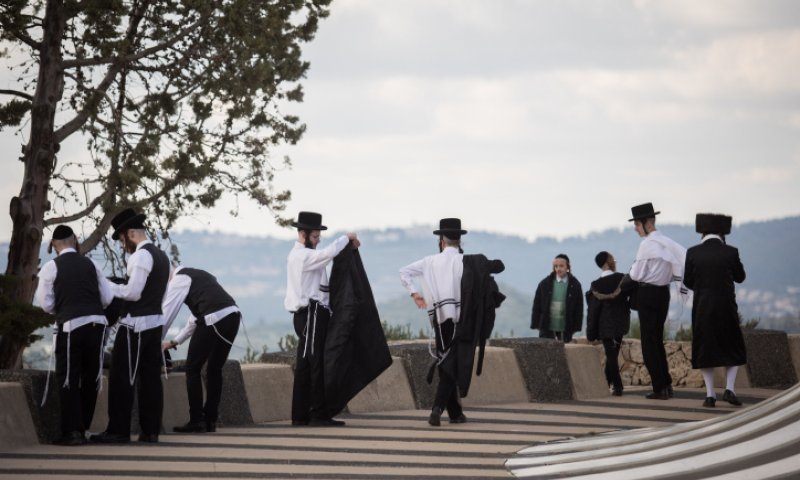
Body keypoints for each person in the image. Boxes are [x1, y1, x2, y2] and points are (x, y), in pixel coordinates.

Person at [400, 218, 505, 427]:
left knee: (445, 363)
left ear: (441, 240)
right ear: (460, 241)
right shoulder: (467, 261)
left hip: (439, 320)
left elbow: (404, 272)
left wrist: (415, 294)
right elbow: (497, 267)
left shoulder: (429, 261)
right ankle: (438, 409)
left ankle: (455, 413)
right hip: (462, 320)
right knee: (453, 365)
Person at [90, 208, 170, 443]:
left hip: (135, 325)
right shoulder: (161, 256)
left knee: (121, 378)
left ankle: (118, 430)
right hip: (155, 323)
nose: (122, 244)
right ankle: (150, 430)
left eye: (122, 238)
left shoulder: (140, 256)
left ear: (131, 233)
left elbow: (133, 293)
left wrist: (106, 285)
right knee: (150, 380)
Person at [34, 225, 114, 445]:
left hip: (71, 325)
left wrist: (65, 305)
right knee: (91, 377)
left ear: (54, 245)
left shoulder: (51, 267)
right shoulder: (92, 264)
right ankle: (84, 427)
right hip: (98, 324)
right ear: (75, 240)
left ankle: (72, 432)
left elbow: (45, 304)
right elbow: (107, 298)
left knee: (68, 376)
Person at [284, 211, 359, 427]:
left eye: (319, 237)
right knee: (314, 363)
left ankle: (301, 415)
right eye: (315, 236)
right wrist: (347, 238)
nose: (317, 241)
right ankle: (317, 413)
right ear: (303, 234)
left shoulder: (304, 255)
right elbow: (327, 254)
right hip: (311, 314)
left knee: (308, 363)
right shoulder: (301, 256)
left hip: (312, 314)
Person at [161, 265, 241, 432]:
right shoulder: (200, 274)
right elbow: (195, 318)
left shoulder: (178, 280)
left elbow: (167, 315)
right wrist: (174, 342)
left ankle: (197, 420)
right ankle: (210, 420)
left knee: (192, 368)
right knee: (214, 369)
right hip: (232, 315)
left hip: (214, 318)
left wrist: (154, 339)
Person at [684, 213, 746, 408]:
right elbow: (740, 277)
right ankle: (729, 389)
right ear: (722, 233)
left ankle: (710, 395)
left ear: (702, 232)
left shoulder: (692, 252)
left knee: (705, 349)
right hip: (726, 305)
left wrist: (703, 288)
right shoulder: (731, 252)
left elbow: (687, 281)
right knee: (733, 347)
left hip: (703, 306)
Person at [627, 202, 688, 400]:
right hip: (663, 294)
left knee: (649, 342)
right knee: (657, 340)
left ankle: (659, 386)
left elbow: (636, 274)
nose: (635, 229)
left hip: (648, 295)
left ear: (646, 223)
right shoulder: (666, 242)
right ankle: (667, 384)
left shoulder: (647, 245)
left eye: (636, 224)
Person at [586, 251, 632, 396]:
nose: (614, 260)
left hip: (604, 325)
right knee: (613, 355)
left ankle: (607, 383)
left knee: (611, 355)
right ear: (607, 262)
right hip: (620, 323)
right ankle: (617, 386)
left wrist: (591, 332)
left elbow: (592, 311)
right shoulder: (622, 279)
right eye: (612, 258)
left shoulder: (595, 285)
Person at [530, 254, 583, 343]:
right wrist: (537, 324)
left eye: (561, 266)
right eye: (556, 266)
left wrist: (576, 327)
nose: (558, 269)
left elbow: (579, 308)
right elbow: (537, 305)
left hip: (566, 328)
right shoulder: (544, 284)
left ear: (567, 267)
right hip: (547, 327)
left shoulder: (575, 285)